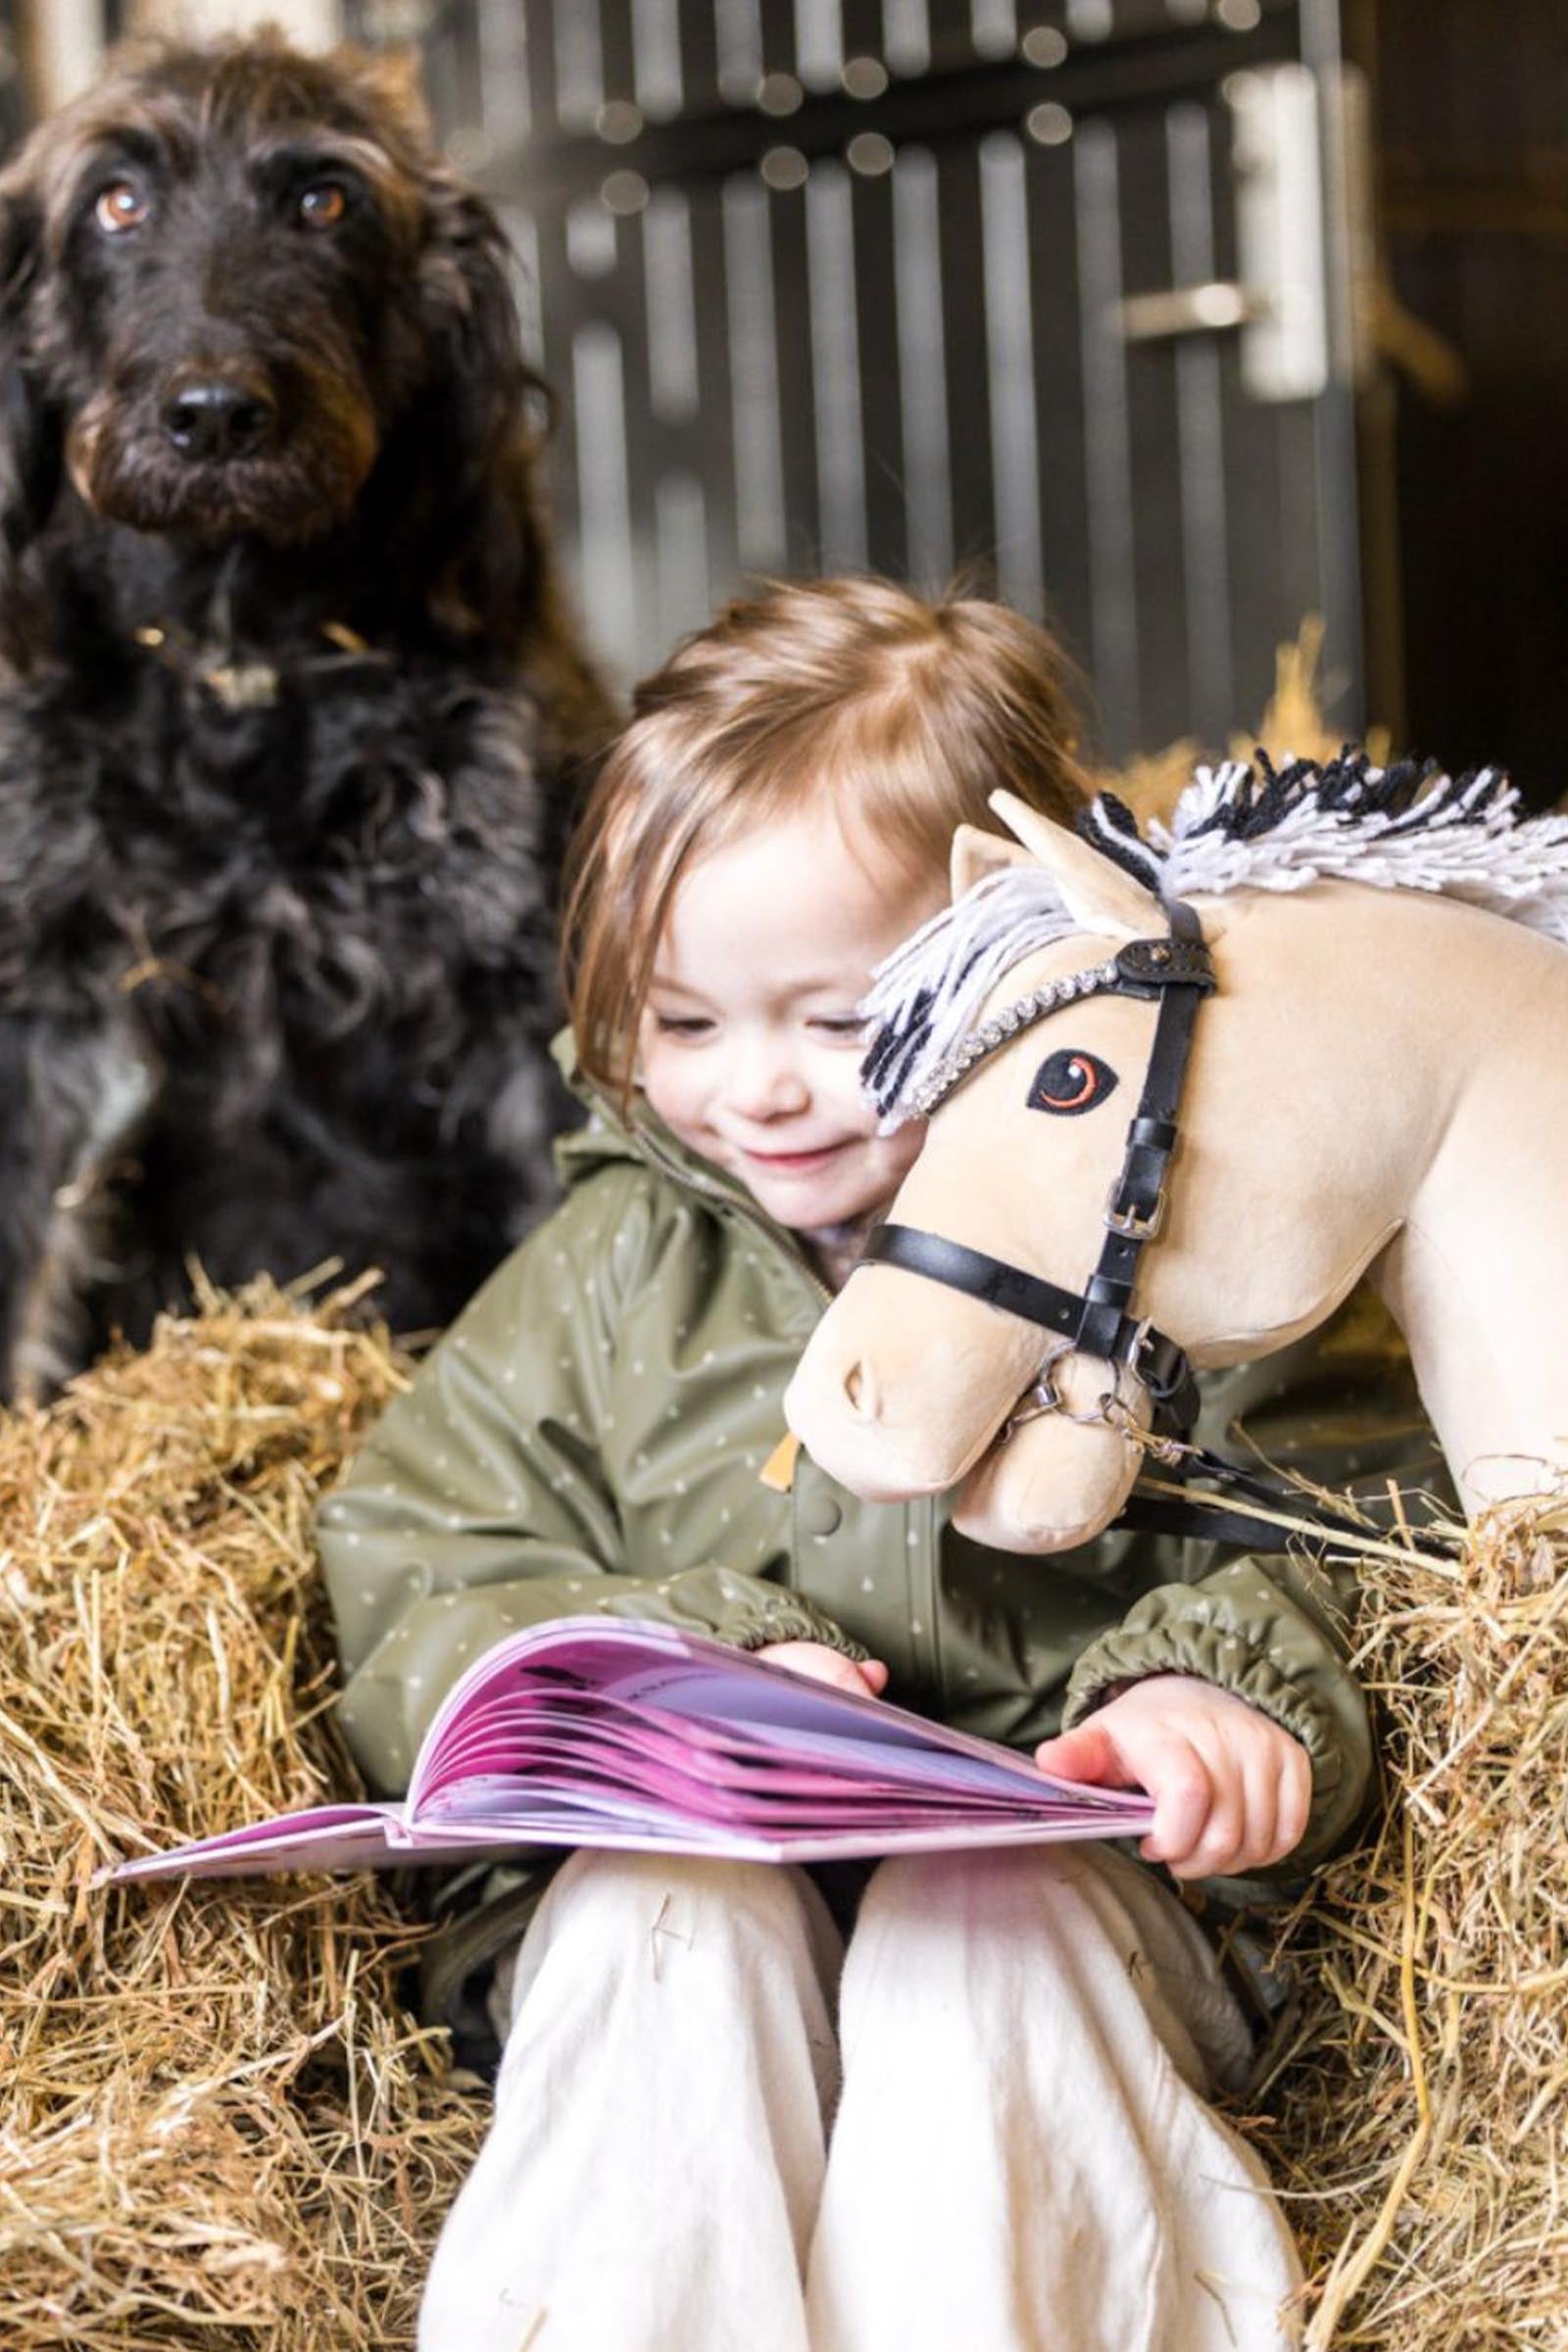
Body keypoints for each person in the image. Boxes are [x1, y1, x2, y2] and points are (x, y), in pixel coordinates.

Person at [317, 576, 1410, 2352]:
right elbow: (419, 1557)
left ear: (1024, 949)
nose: (756, 1092)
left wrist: (1224, 1691)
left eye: (838, 1022)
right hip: (691, 1887)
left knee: (978, 1928)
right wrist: (667, 1658)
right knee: (660, 1929)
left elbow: (1371, 1513)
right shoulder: (610, 1278)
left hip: (1087, 1890)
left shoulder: (1182, 1236)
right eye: (682, 1024)